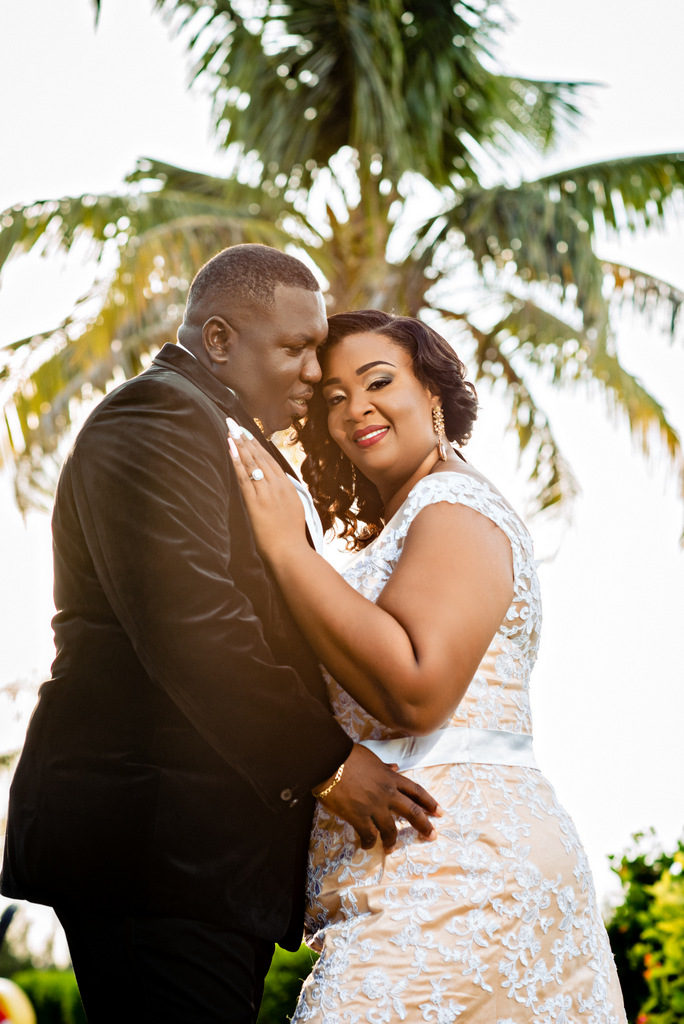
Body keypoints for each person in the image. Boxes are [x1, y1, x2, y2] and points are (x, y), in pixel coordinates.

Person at [0, 253, 439, 1024]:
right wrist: (330, 765)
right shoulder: (156, 419)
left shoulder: (214, 429)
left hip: (192, 858)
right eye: (295, 349)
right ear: (219, 338)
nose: (314, 370)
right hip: (153, 850)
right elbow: (194, 626)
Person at [229, 309, 628, 1023]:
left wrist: (288, 553)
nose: (357, 409)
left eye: (379, 381)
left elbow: (416, 689)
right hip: (418, 871)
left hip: (459, 872)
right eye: (334, 399)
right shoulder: (409, 519)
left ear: (434, 394)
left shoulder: (455, 508)